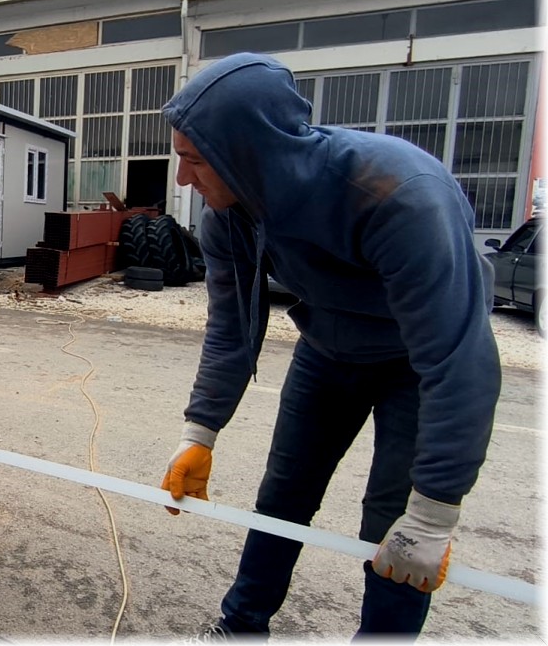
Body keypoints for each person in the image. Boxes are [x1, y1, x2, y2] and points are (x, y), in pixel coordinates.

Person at [157, 53, 500, 639]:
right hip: (327, 351)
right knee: (283, 494)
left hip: (413, 366)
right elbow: (231, 329)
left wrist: (436, 508)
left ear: (248, 154)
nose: (183, 179)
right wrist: (200, 431)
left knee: (395, 529)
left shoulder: (395, 194)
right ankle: (240, 628)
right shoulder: (230, 215)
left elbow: (457, 357)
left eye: (194, 160)